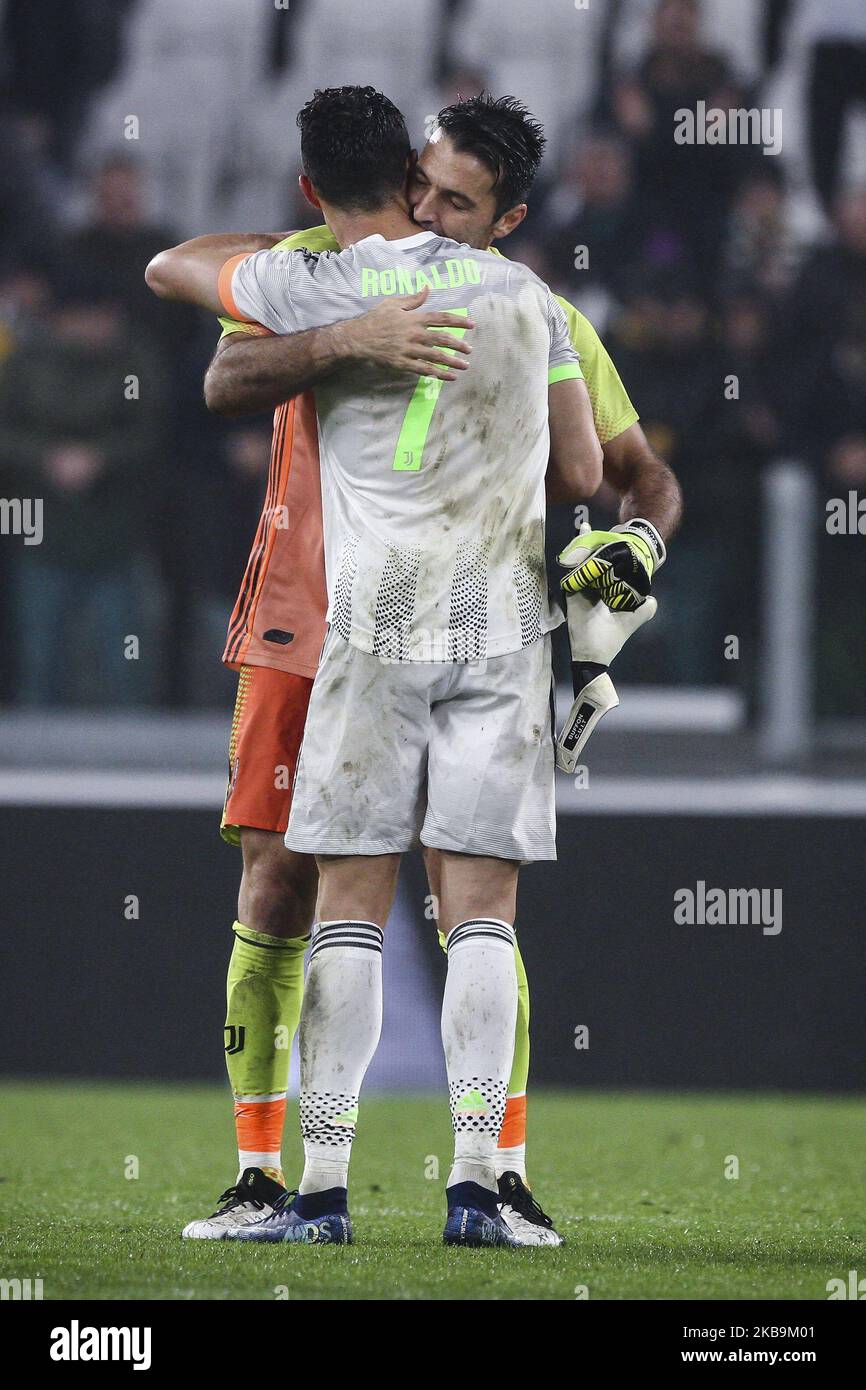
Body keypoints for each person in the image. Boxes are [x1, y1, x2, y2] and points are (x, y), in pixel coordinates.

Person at [147, 91, 681, 1247]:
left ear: (503, 213)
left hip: (368, 612)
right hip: (491, 622)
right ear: (397, 170)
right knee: (474, 907)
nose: (426, 206)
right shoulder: (529, 300)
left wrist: (350, 343)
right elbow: (587, 472)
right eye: (420, 183)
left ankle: (323, 1190)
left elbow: (178, 292)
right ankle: (471, 1187)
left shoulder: (325, 272)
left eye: (452, 196)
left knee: (347, 900)